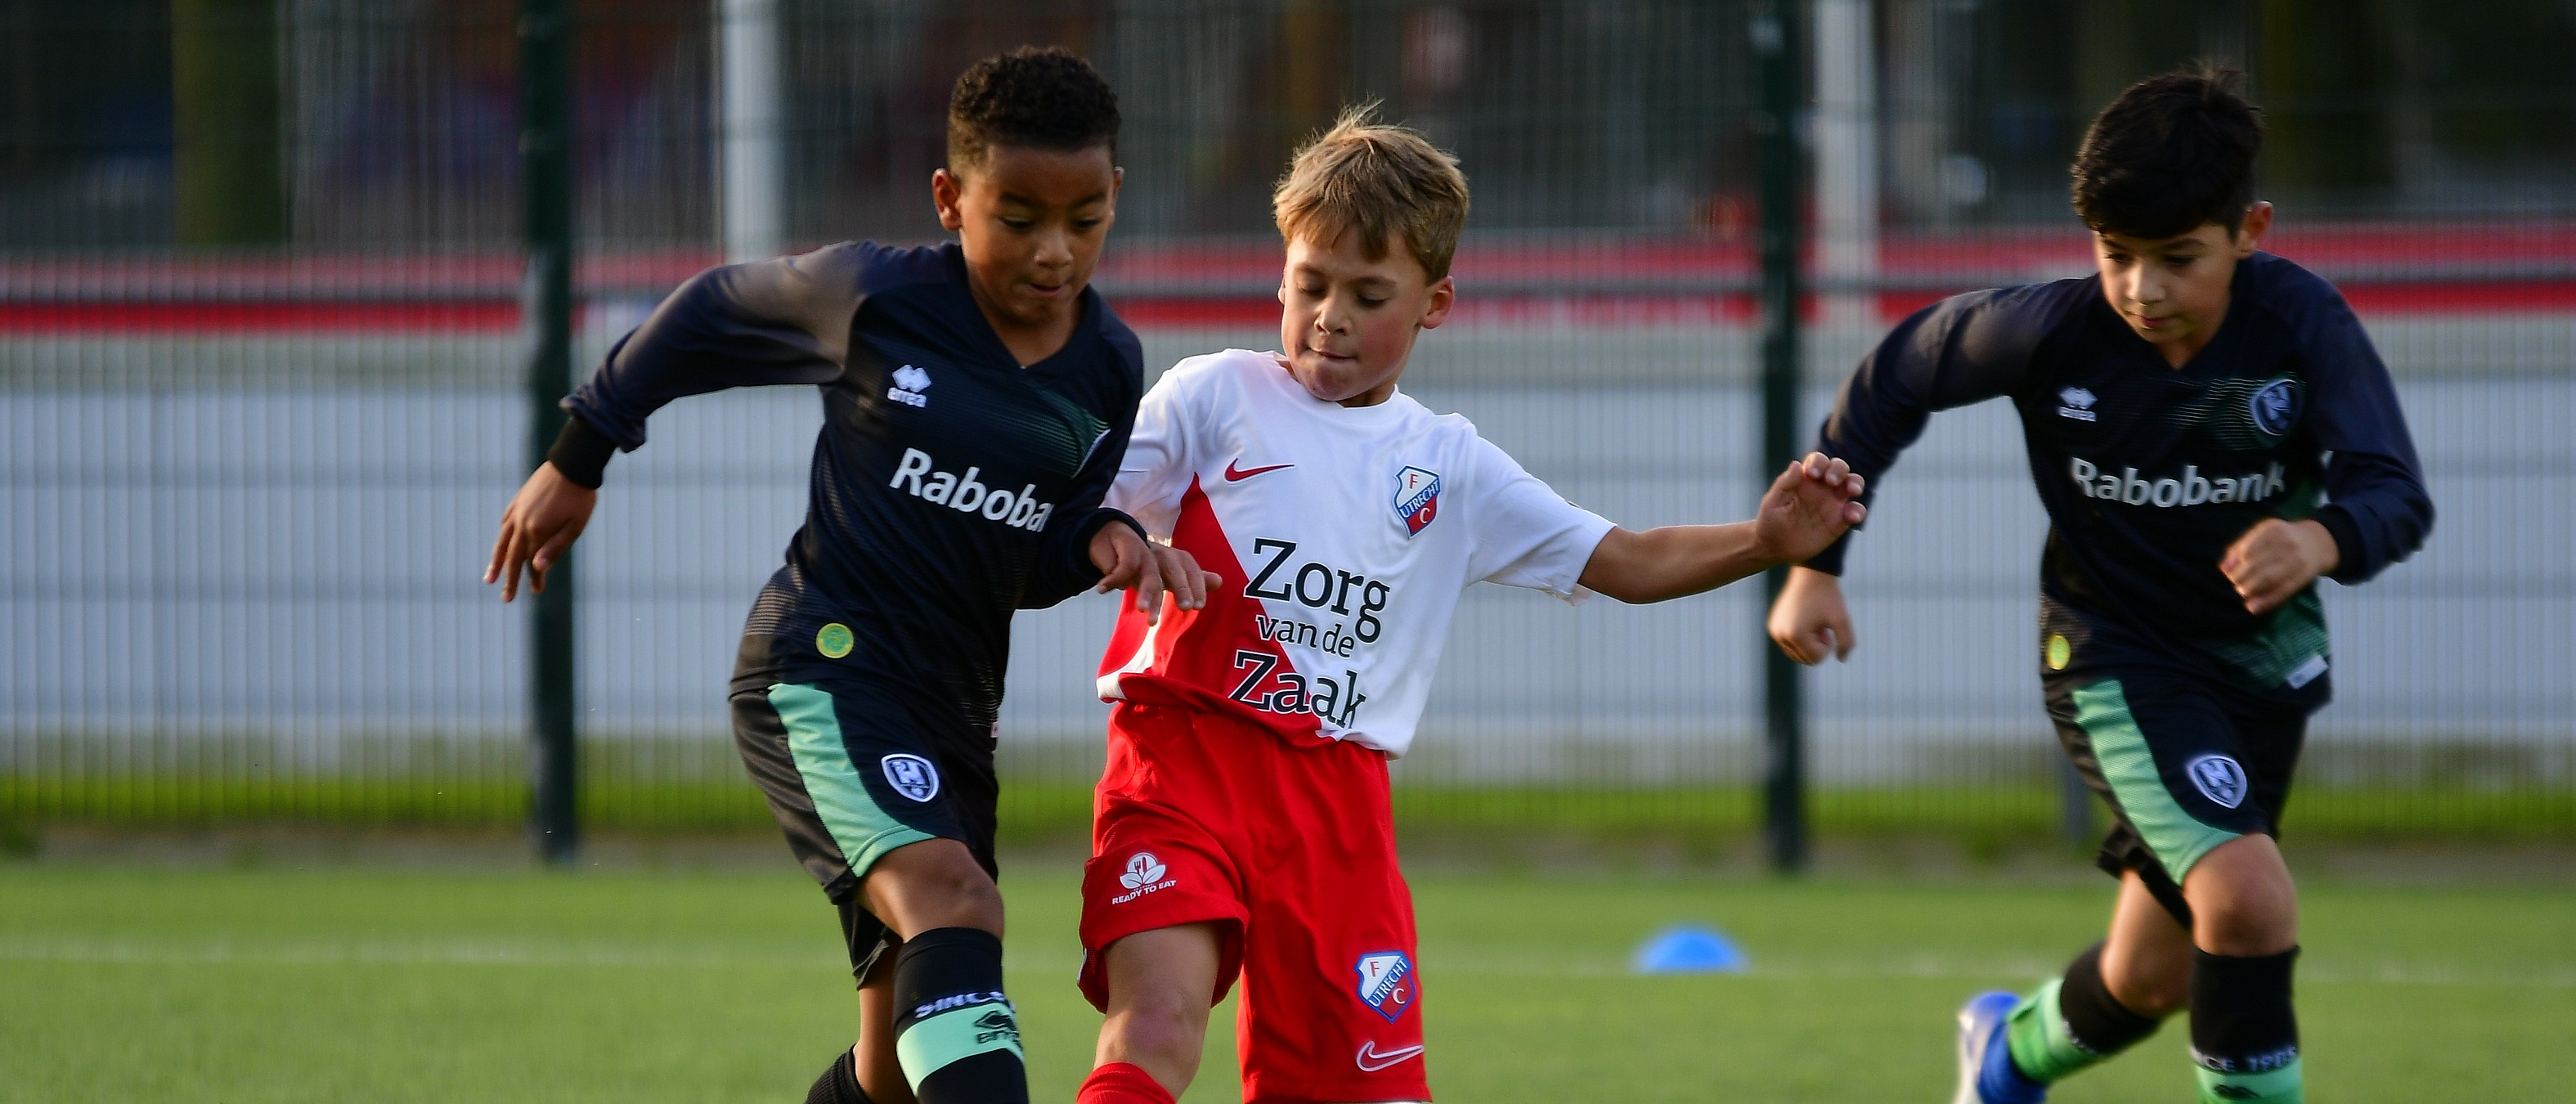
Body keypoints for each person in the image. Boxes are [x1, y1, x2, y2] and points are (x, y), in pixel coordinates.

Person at [1069, 108, 1869, 1104]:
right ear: (1281, 273)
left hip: (1338, 806)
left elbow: (1622, 557)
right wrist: (1126, 540)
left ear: (1435, 302)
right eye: (1310, 285)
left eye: (1369, 295)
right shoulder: (1211, 395)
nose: (1330, 316)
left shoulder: (1448, 464)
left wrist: (1765, 543)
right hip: (1181, 760)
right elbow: (1095, 507)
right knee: (1157, 1025)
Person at [482, 47, 1211, 1104]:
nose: (1054, 250)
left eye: (1084, 217)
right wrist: (580, 450)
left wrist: (1098, 542)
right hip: (823, 668)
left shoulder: (1106, 365)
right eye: (1017, 216)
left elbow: (1028, 553)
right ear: (949, 198)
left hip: (954, 712)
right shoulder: (877, 297)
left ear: (1115, 198)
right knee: (957, 903)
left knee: (886, 1068)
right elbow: (709, 311)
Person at [1764, 66, 2434, 1104]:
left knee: (2154, 973)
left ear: (2249, 229)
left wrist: (2323, 539)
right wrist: (1816, 565)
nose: (2142, 290)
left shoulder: (2301, 327)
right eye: (2116, 257)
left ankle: (2003, 1054)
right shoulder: (2050, 332)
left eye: (2177, 259)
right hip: (2114, 661)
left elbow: (2395, 492)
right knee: (2249, 901)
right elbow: (1897, 375)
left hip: (2263, 669)